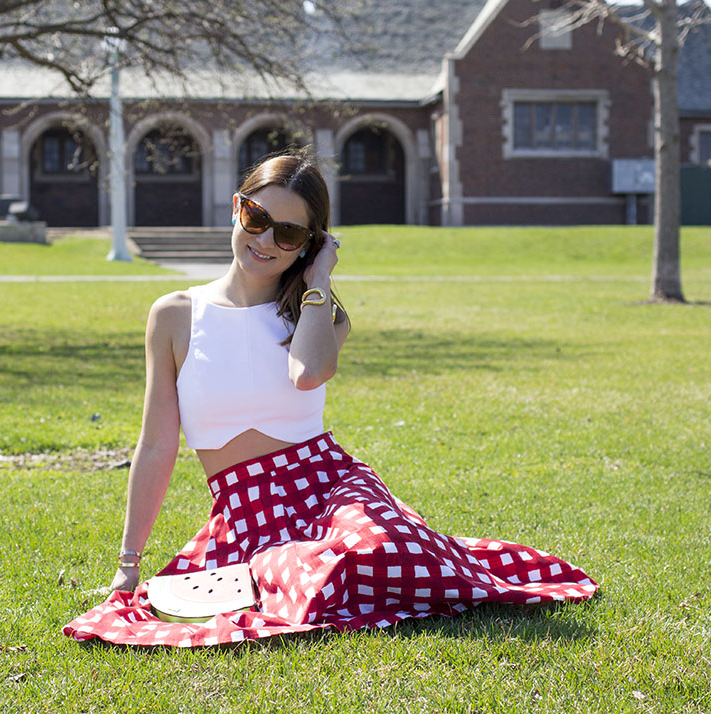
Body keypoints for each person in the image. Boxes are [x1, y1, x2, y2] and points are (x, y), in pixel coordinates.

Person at [63, 151, 597, 648]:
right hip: (246, 514)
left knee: (374, 551)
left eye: (290, 232)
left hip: (329, 486)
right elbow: (157, 444)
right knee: (308, 577)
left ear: (310, 242)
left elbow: (307, 372)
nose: (266, 240)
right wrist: (128, 563)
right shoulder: (176, 314)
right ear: (237, 208)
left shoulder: (320, 316)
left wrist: (318, 279)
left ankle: (415, 556)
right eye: (257, 219)